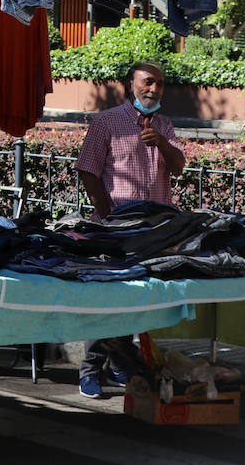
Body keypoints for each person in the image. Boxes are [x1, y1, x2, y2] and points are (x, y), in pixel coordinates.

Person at [73, 61, 186, 399]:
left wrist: (161, 144)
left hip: (154, 230)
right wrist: (107, 218)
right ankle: (90, 369)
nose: (154, 90)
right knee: (107, 299)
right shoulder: (107, 122)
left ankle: (120, 363)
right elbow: (88, 171)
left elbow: (178, 168)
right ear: (130, 86)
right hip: (115, 228)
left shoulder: (165, 125)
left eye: (160, 84)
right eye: (148, 82)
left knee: (136, 299)